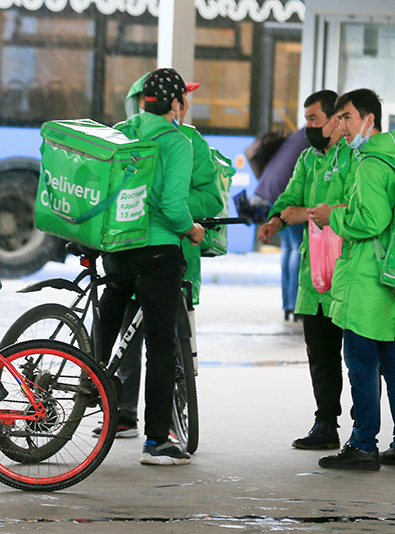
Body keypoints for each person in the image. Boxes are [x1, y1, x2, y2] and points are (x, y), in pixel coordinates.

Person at [103, 73, 222, 439]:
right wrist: (191, 228)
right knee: (161, 346)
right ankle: (157, 439)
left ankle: (92, 380)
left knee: (112, 321)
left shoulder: (120, 133)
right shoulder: (178, 142)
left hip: (118, 246)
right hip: (159, 249)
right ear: (175, 104)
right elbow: (174, 207)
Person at [310, 88, 395, 470]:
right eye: (339, 118)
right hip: (388, 275)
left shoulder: (372, 165)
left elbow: (371, 220)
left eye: (347, 117)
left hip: (365, 278)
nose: (341, 126)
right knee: (394, 365)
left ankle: (362, 445)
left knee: (361, 364)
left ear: (369, 119)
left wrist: (334, 217)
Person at [258, 90, 351, 450]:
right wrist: (277, 220)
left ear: (335, 120)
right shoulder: (308, 159)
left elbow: (356, 208)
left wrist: (307, 213)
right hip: (314, 278)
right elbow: (290, 197)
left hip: (348, 275)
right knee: (320, 356)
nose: (308, 126)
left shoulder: (355, 159)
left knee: (359, 359)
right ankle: (325, 423)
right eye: (306, 119)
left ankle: (364, 432)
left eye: (314, 119)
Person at [251, 127, 310, 321]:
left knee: (288, 246)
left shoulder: (298, 135)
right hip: (284, 191)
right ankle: (295, 303)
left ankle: (288, 304)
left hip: (270, 187)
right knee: (297, 246)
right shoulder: (314, 136)